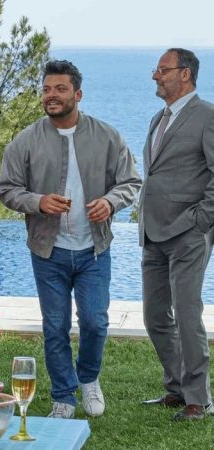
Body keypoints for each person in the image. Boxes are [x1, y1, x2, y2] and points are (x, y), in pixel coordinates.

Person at [0, 60, 141, 418]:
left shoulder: (107, 136)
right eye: (46, 89)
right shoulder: (26, 140)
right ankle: (63, 397)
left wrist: (110, 202)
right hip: (49, 252)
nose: (51, 96)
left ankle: (89, 379)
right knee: (55, 326)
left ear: (77, 94)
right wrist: (37, 201)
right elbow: (7, 189)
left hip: (94, 249)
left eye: (60, 89)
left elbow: (131, 183)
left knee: (96, 321)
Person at [138, 48, 214, 421]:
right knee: (154, 315)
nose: (156, 75)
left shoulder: (208, 117)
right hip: (152, 232)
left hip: (188, 232)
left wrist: (202, 219)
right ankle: (176, 388)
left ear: (184, 74)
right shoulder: (158, 118)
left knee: (186, 314)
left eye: (162, 70)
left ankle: (198, 399)